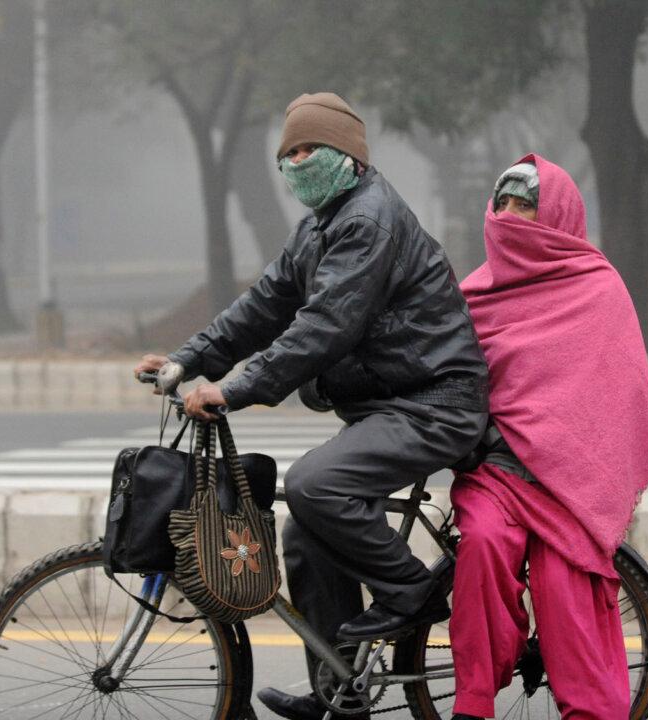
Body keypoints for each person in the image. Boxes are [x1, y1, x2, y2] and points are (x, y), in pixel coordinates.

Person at [134, 92, 489, 720]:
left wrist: (236, 389)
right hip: (391, 404)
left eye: (310, 148)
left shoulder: (368, 221)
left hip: (434, 403)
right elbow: (264, 306)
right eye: (289, 152)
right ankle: (339, 689)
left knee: (313, 484)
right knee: (305, 532)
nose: (297, 161)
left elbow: (324, 326)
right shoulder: (323, 225)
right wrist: (187, 361)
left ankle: (412, 588)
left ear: (349, 155)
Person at [447, 155, 648, 720]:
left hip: (571, 490)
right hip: (496, 475)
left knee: (566, 590)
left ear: (559, 217)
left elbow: (620, 400)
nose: (510, 216)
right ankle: (473, 701)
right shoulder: (475, 294)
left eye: (526, 206)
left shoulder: (599, 289)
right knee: (482, 546)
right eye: (502, 204)